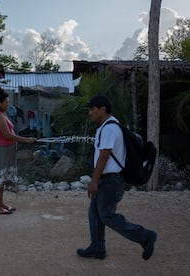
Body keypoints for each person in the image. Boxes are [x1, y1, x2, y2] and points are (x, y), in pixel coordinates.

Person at [77, 95, 157, 260]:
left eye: (92, 109)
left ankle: (145, 236)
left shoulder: (109, 128)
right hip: (106, 179)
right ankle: (97, 248)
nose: (90, 113)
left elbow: (104, 156)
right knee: (95, 213)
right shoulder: (107, 126)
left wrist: (93, 181)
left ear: (102, 109)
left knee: (107, 215)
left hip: (110, 180)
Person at [0, 87, 36, 215]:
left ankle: (0, 203)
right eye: (6, 102)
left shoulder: (2, 114)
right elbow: (7, 135)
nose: (8, 104)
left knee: (2, 178)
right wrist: (25, 140)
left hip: (6, 150)